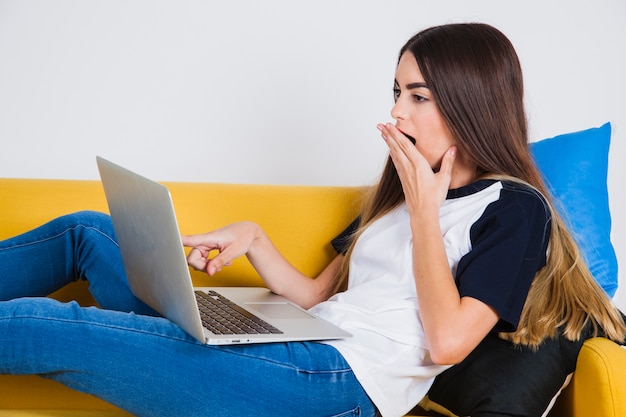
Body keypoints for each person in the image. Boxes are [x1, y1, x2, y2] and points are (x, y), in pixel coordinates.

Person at [1, 23, 624, 417]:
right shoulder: (399, 194)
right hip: (294, 344)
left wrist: (429, 216)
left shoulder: (514, 208)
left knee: (65, 331)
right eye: (396, 92)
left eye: (417, 96)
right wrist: (255, 239)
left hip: (332, 384)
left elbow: (449, 342)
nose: (396, 112)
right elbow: (317, 294)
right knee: (87, 230)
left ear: (469, 104)